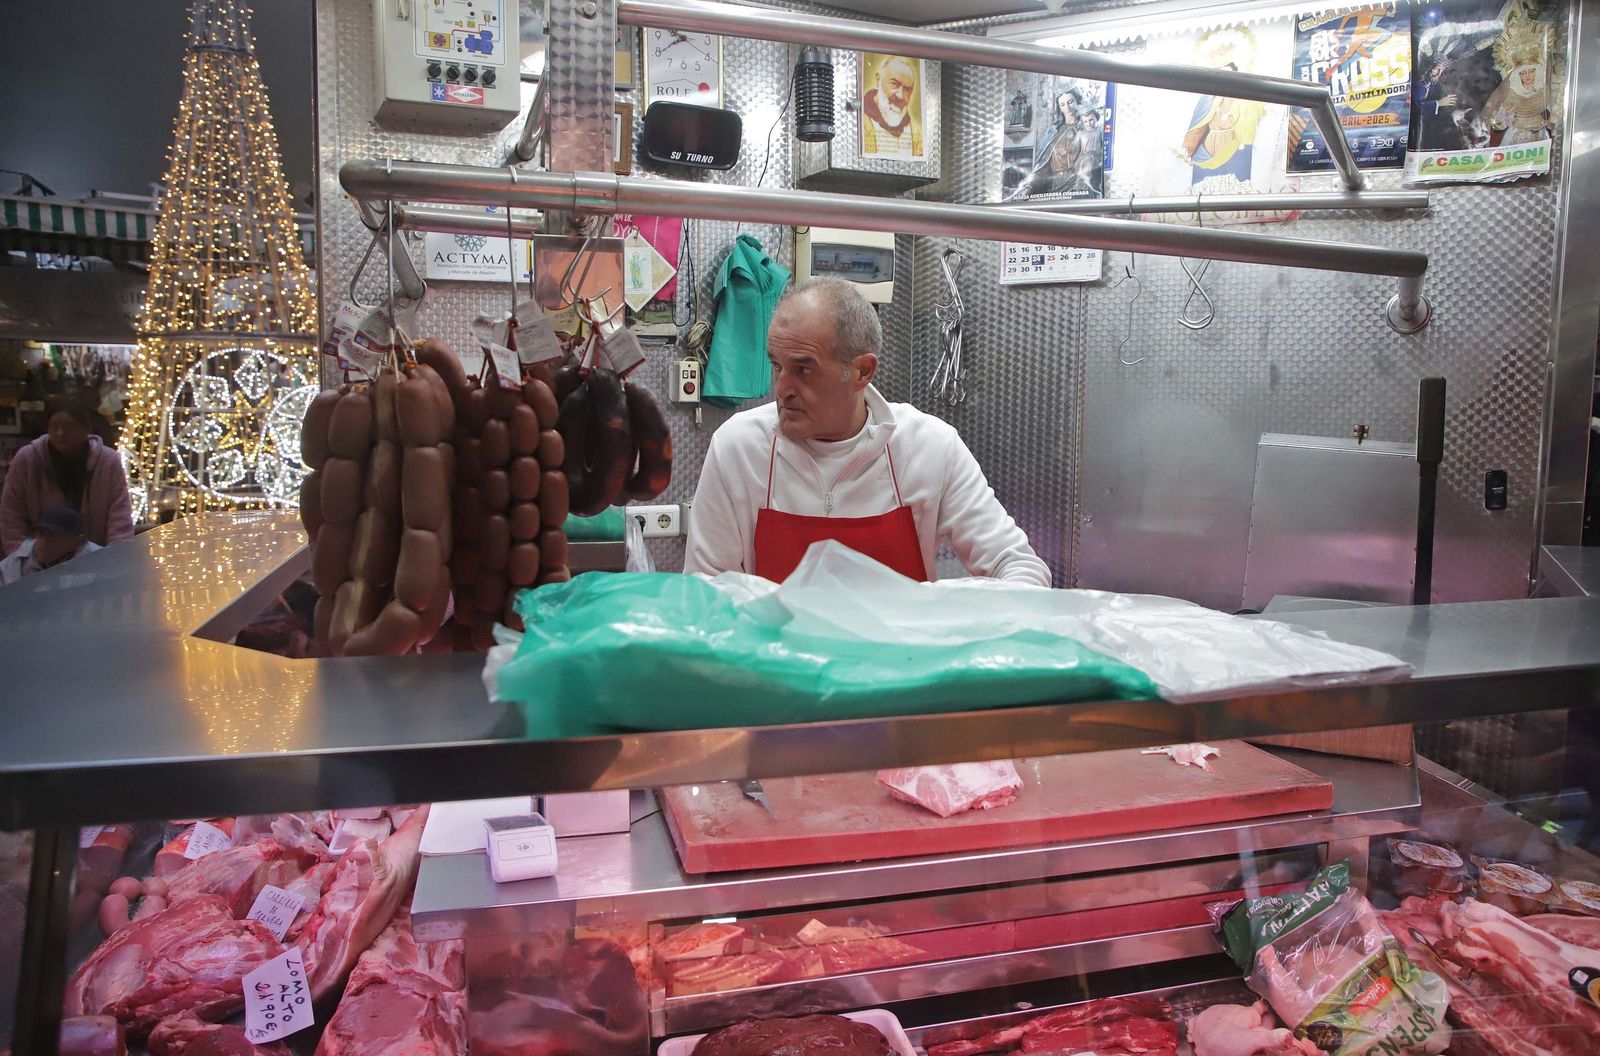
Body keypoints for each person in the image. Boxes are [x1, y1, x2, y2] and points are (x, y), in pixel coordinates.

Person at [684, 278, 1052, 586]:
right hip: (779, 667)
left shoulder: (929, 447)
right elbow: (705, 588)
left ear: (862, 372)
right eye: (777, 366)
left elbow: (1020, 567)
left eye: (804, 369)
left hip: (898, 666)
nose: (781, 389)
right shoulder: (738, 448)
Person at [0, 399, 133, 556]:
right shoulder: (28, 459)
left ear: (86, 429)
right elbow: (12, 516)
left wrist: (113, 558)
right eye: (54, 426)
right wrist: (21, 559)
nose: (60, 433)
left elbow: (119, 517)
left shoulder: (107, 461)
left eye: (69, 427)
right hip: (36, 560)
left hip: (96, 559)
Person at [0, 506, 102, 586]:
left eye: (53, 537)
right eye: (41, 534)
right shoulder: (20, 561)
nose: (43, 542)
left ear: (77, 541)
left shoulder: (99, 560)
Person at [861, 56, 922, 159]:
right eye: (894, 84)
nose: (900, 96)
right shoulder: (859, 122)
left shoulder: (918, 135)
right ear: (878, 79)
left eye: (907, 90)